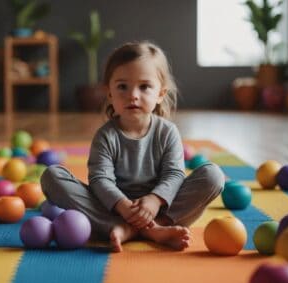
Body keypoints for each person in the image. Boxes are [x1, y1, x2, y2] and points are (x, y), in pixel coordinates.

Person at [41, 41, 225, 252]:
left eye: (144, 86)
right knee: (51, 177)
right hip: (113, 208)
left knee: (213, 176)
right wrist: (124, 207)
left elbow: (174, 175)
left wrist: (155, 201)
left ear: (161, 94)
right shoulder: (106, 136)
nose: (133, 95)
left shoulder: (167, 132)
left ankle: (156, 226)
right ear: (109, 93)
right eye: (122, 87)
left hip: (161, 208)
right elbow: (100, 180)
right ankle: (134, 228)